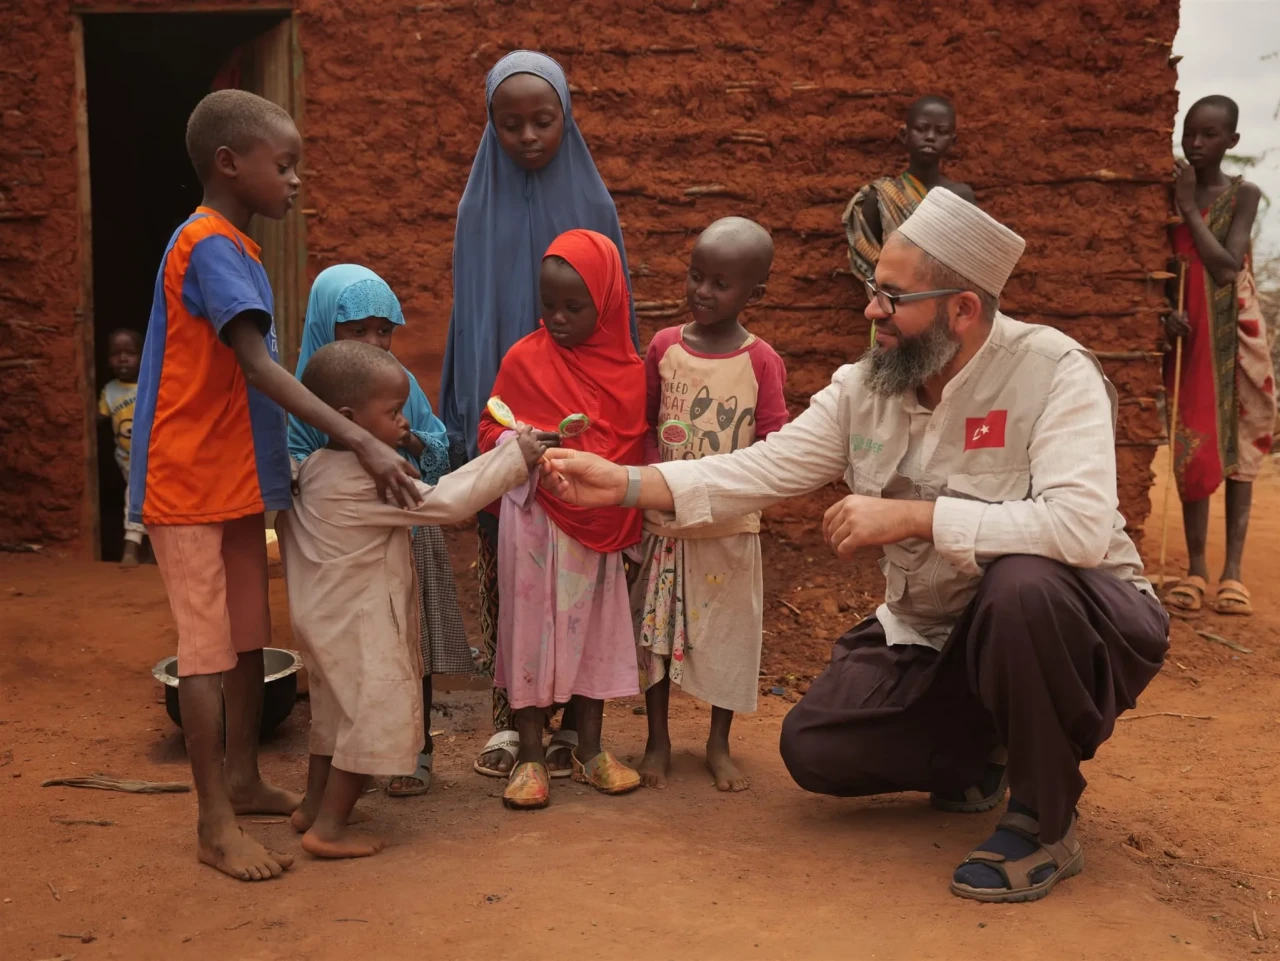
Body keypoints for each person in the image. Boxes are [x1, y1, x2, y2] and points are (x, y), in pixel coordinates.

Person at [541, 188, 1169, 903]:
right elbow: (758, 468)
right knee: (816, 749)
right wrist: (622, 483)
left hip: (1081, 620)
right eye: (874, 290)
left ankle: (1042, 820)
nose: (871, 310)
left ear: (961, 309)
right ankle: (989, 747)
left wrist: (915, 518)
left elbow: (1081, 527)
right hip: (936, 633)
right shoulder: (868, 383)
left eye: (892, 297)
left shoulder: (1053, 371)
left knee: (1021, 584)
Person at [128, 89, 420, 882]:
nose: (295, 181)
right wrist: (360, 436)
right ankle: (212, 822)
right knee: (204, 648)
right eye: (284, 166)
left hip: (231, 476)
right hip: (186, 477)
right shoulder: (210, 244)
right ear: (231, 163)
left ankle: (244, 776)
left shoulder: (241, 250)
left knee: (249, 637)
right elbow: (257, 367)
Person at [439, 50, 637, 779]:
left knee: (584, 578)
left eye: (542, 121)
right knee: (507, 567)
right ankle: (508, 723)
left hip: (585, 423)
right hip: (509, 406)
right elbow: (470, 320)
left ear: (567, 117)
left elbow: (617, 317)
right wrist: (476, 418)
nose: (527, 136)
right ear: (491, 126)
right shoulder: (476, 208)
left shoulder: (595, 210)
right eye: (510, 123)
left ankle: (572, 729)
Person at [279, 341, 549, 857]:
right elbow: (445, 502)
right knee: (372, 714)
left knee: (334, 717)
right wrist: (514, 456)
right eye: (393, 412)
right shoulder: (370, 480)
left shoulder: (313, 466)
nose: (404, 423)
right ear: (347, 420)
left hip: (320, 620)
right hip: (360, 625)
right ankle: (328, 829)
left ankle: (312, 806)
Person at [289, 264, 470, 798]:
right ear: (327, 327)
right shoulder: (305, 396)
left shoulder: (400, 383)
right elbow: (298, 470)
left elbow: (439, 453)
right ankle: (354, 760)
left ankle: (417, 751)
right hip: (345, 552)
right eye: (356, 330)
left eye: (383, 329)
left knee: (413, 647)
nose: (374, 342)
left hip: (409, 534)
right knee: (353, 658)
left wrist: (409, 444)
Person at [479, 229, 644, 809]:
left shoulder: (630, 374)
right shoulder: (524, 358)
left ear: (608, 302)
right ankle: (528, 755)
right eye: (548, 305)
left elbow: (630, 452)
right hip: (533, 529)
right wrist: (521, 444)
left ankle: (589, 749)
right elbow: (487, 430)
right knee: (529, 632)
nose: (558, 318)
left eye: (575, 307)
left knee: (594, 632)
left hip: (594, 531)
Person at [632, 217, 788, 793]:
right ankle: (657, 740)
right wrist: (656, 486)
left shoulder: (761, 361)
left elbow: (775, 441)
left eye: (720, 283)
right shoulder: (664, 347)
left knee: (727, 634)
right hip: (666, 522)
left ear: (755, 294)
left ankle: (718, 743)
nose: (702, 291)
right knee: (655, 635)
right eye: (696, 276)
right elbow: (647, 424)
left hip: (728, 526)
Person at [1161, 95, 1273, 617]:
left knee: (1240, 447)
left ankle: (1232, 571)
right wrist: (1167, 313)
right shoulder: (1167, 196)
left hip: (1234, 333)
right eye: (1190, 133)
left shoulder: (1243, 194)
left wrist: (1187, 207)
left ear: (1231, 141)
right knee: (1195, 445)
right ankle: (1196, 570)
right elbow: (1163, 266)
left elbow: (1227, 266)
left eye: (1209, 135)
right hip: (1190, 336)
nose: (1197, 144)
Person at [842, 95, 977, 284]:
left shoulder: (960, 196)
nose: (930, 136)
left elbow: (967, 260)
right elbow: (868, 257)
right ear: (904, 135)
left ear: (952, 141)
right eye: (921, 129)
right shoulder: (880, 197)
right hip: (892, 303)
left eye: (941, 131)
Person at [97, 328, 146, 567]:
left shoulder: (150, 386)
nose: (123, 358)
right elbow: (98, 417)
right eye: (116, 354)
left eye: (130, 353)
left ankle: (132, 545)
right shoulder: (109, 391)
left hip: (151, 458)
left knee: (135, 493)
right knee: (138, 493)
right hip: (124, 459)